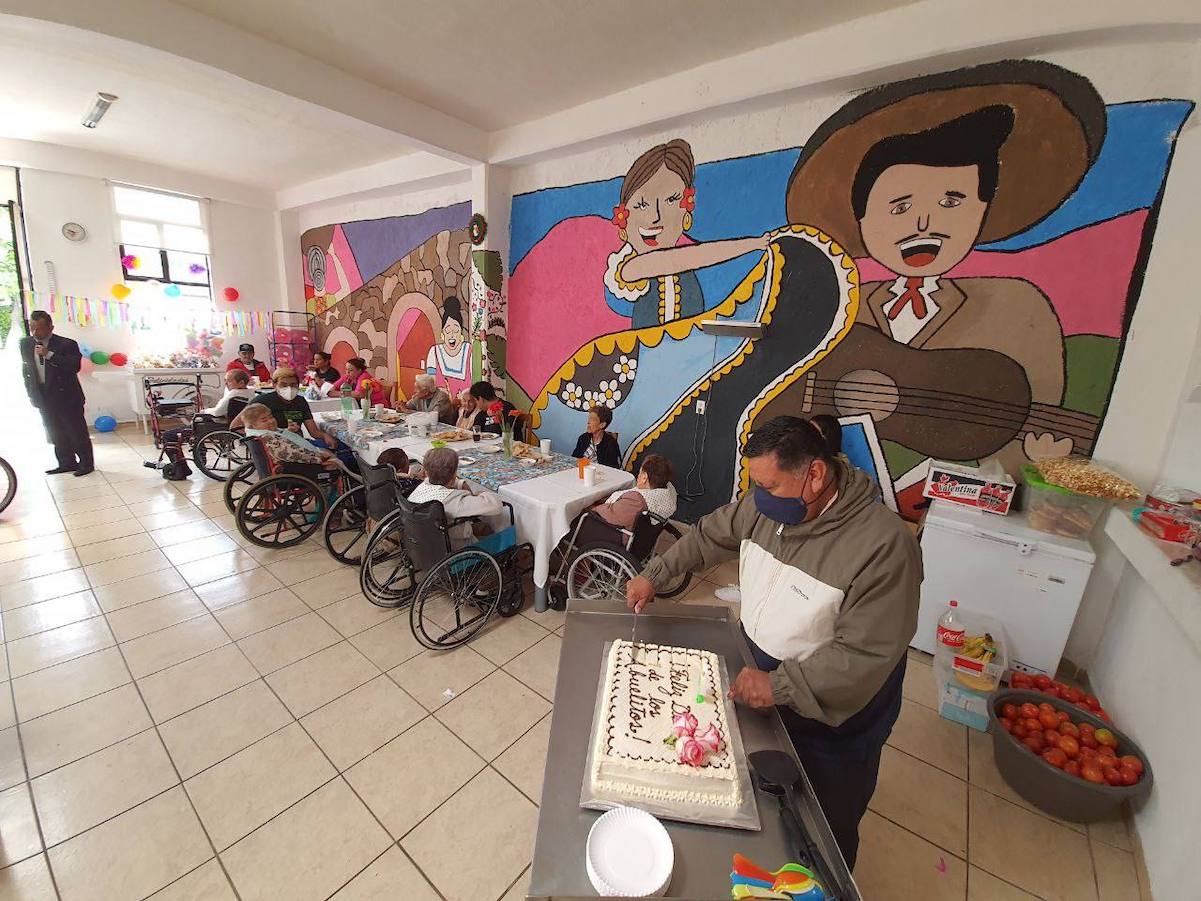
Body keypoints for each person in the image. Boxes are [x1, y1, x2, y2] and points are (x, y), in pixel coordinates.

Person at [626, 416, 922, 868]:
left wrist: (779, 686)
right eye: (756, 486)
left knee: (825, 820)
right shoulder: (766, 506)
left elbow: (862, 657)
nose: (760, 498)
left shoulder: (884, 548)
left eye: (770, 485)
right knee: (764, 803)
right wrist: (656, 573)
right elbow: (708, 535)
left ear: (815, 475)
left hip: (835, 715)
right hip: (763, 674)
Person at [20, 311, 93, 476]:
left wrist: (49, 355)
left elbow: (74, 367)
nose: (35, 333)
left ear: (50, 327)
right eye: (32, 328)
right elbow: (27, 370)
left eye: (39, 329)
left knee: (76, 431)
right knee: (55, 431)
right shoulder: (25, 344)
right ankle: (66, 463)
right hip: (42, 394)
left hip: (67, 396)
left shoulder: (66, 344)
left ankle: (86, 464)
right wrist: (31, 393)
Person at [160, 369, 255, 476]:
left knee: (169, 435)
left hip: (219, 425)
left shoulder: (234, 394)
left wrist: (204, 411)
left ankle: (181, 469)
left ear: (241, 382)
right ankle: (200, 450)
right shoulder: (250, 393)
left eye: (229, 381)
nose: (226, 384)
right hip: (233, 423)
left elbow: (217, 412)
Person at [408, 447, 504, 548]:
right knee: (491, 529)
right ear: (454, 475)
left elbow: (445, 485)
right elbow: (496, 505)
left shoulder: (421, 488)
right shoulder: (453, 500)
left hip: (425, 546)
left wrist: (459, 483)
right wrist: (481, 494)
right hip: (456, 549)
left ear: (426, 473)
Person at [240, 403, 341, 469]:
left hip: (297, 459)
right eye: (264, 420)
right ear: (252, 425)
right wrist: (320, 458)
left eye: (271, 416)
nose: (271, 421)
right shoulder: (268, 438)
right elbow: (292, 453)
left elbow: (282, 439)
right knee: (341, 460)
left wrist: (289, 431)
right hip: (300, 465)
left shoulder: (260, 433)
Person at [591, 453, 676, 530]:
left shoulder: (636, 501)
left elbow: (610, 514)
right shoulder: (668, 491)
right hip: (643, 535)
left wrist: (590, 508)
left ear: (644, 478)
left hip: (613, 534)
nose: (638, 476)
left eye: (640, 473)